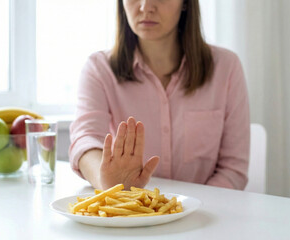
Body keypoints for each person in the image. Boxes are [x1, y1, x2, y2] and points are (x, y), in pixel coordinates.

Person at [69, 0, 250, 190]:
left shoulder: (226, 67)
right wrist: (106, 181)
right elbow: (85, 139)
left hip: (206, 214)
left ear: (186, 3)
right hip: (133, 215)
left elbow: (233, 169)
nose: (146, 6)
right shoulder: (99, 69)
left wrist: (188, 209)